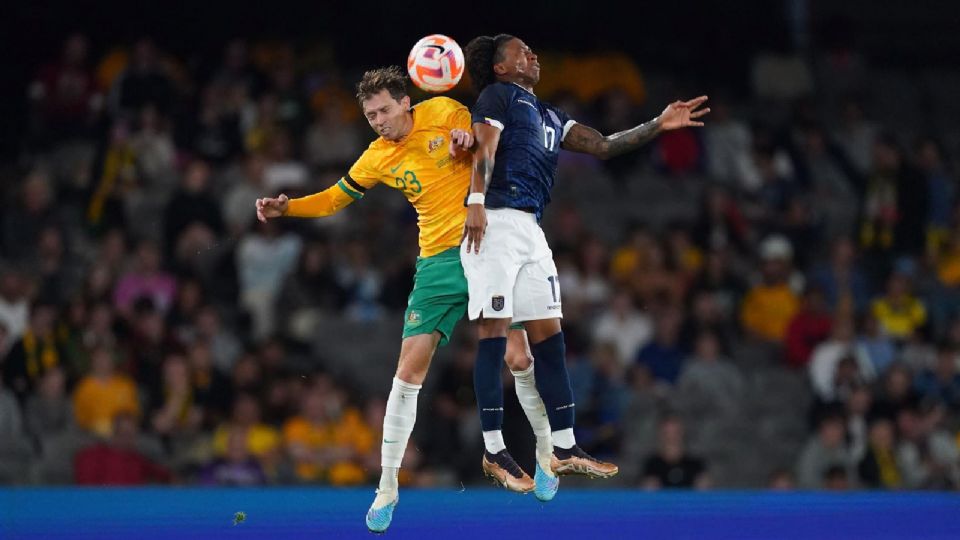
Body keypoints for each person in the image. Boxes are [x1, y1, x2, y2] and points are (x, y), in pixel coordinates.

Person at [254, 66, 555, 533]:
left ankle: (543, 455)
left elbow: (488, 143)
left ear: (406, 103)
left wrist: (466, 139)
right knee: (407, 370)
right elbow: (335, 199)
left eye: (383, 110)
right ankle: (387, 487)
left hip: (486, 247)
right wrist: (288, 206)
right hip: (437, 265)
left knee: (518, 357)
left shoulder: (443, 110)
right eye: (369, 114)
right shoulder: (376, 157)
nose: (376, 120)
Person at [458, 33, 708, 488]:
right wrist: (475, 199)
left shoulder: (551, 114)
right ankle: (494, 449)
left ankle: (565, 446)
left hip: (532, 230)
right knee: (493, 333)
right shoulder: (497, 96)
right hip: (493, 220)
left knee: (550, 337)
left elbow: (605, 145)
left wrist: (658, 123)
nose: (532, 54)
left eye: (532, 49)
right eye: (520, 50)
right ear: (499, 66)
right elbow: (485, 145)